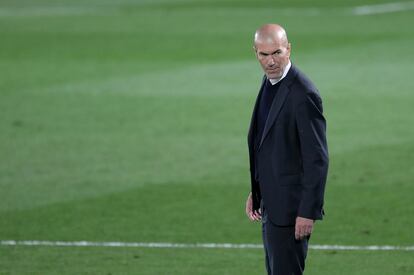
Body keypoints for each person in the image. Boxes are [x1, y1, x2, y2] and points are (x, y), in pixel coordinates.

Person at [245, 24, 329, 275]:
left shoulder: (303, 93)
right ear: (255, 53)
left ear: (289, 49)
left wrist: (307, 212)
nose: (271, 61)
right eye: (264, 55)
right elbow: (267, 143)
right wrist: (258, 188)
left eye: (277, 53)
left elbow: (317, 158)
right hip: (272, 203)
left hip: (291, 212)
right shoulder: (269, 82)